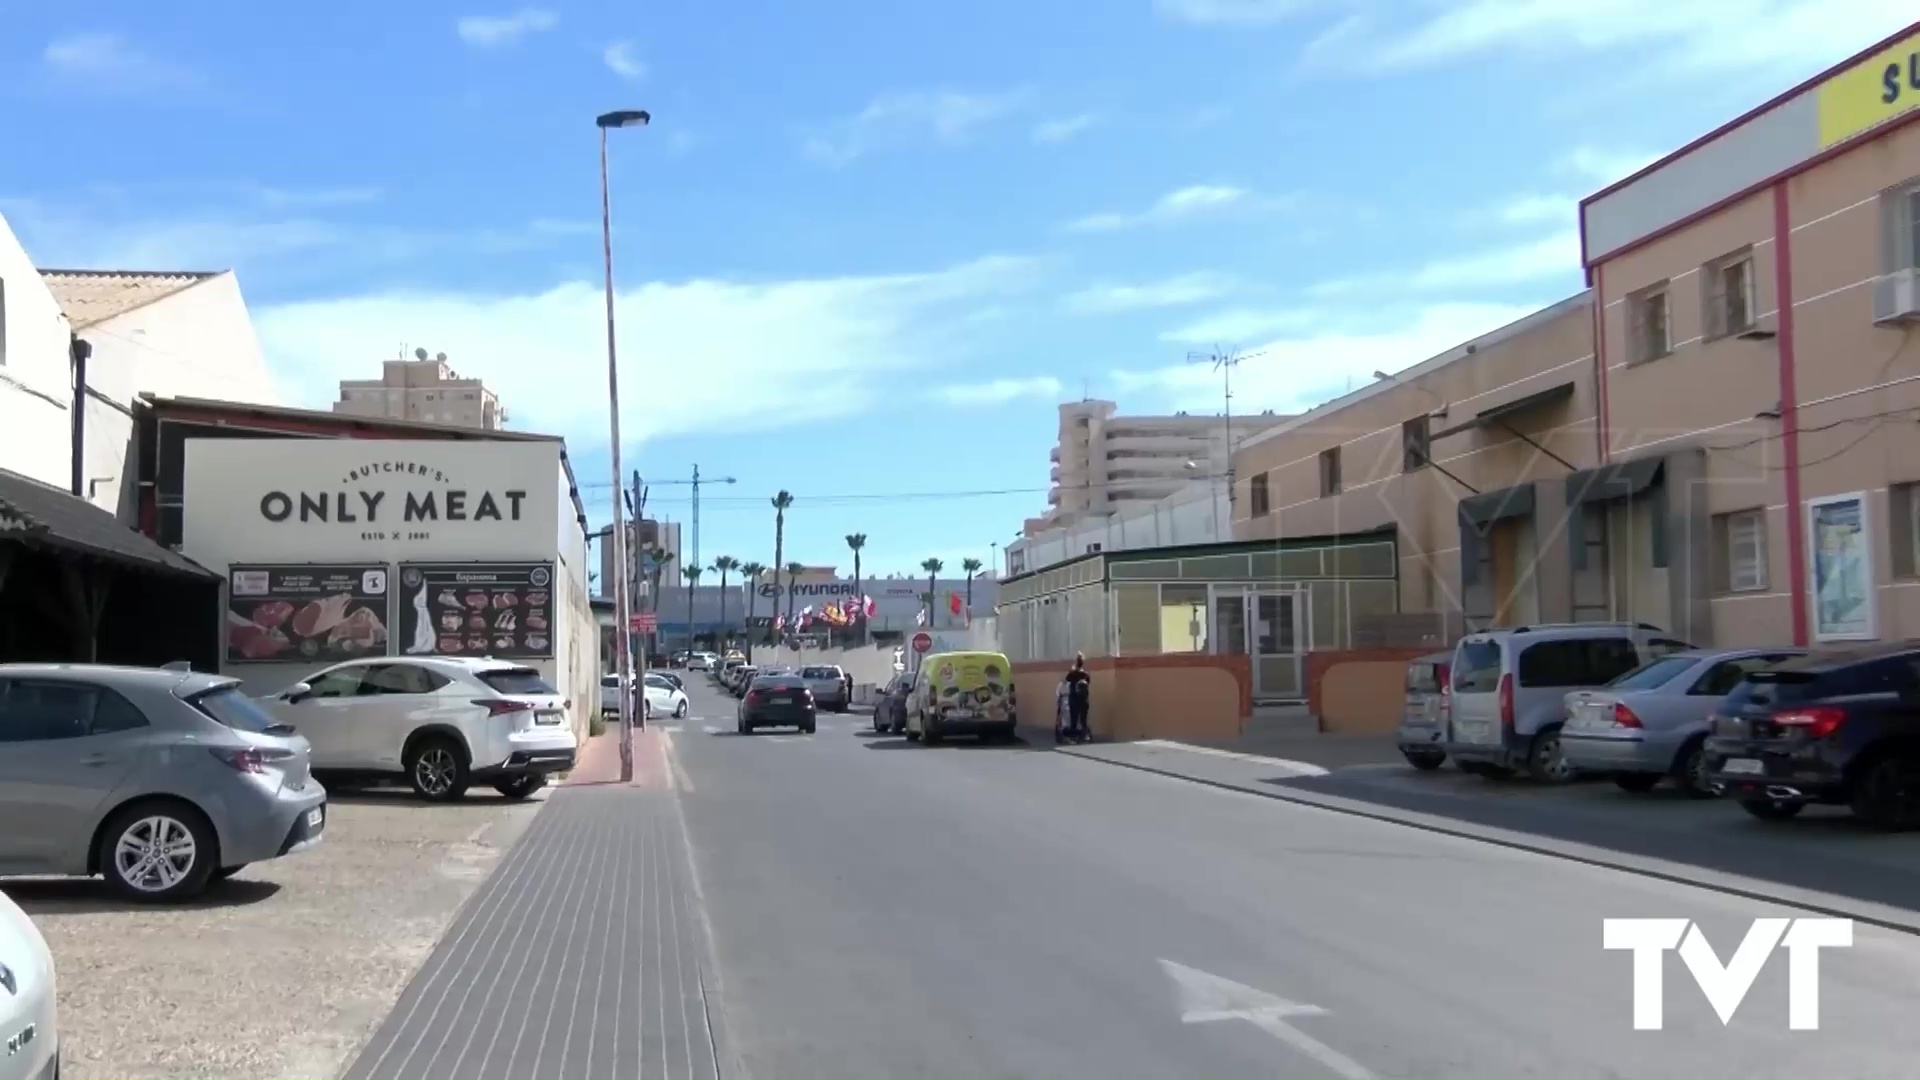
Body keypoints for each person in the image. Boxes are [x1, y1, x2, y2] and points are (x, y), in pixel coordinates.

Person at [1062, 653, 1092, 743]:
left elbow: (1066, 679)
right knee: (1083, 719)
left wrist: (1072, 669)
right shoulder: (1085, 674)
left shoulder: (1072, 673)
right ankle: (1084, 736)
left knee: (1074, 719)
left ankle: (1073, 737)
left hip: (1074, 699)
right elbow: (1088, 681)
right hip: (1083, 700)